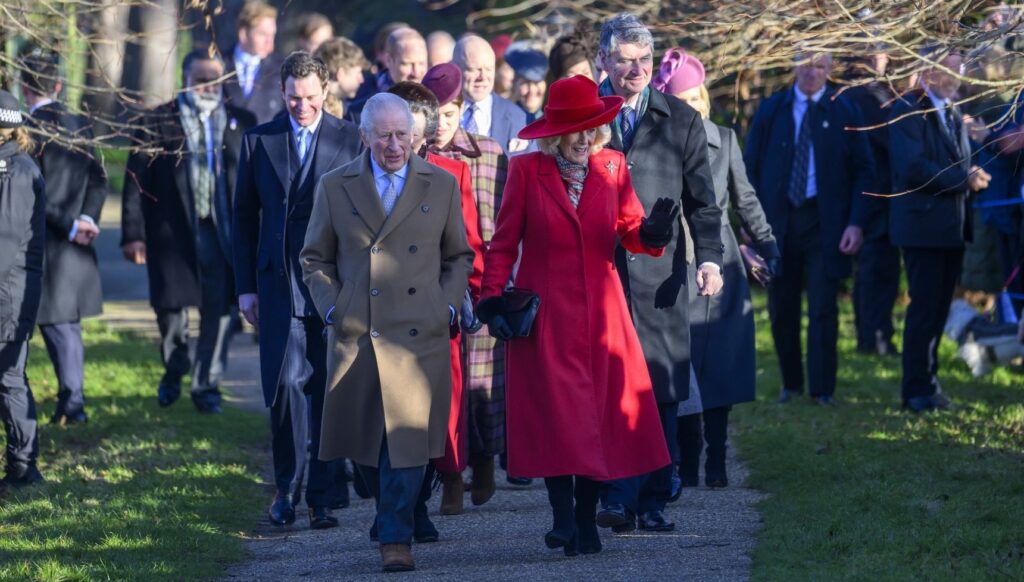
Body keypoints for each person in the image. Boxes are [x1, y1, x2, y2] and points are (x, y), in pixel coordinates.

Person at [476, 75, 675, 557]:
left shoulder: (613, 166)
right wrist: (491, 298)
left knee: (596, 419)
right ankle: (563, 518)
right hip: (547, 313)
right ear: (556, 134)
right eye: (576, 130)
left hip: (603, 314)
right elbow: (504, 243)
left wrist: (652, 233)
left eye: (593, 127)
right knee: (557, 419)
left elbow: (630, 231)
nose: (586, 138)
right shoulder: (527, 172)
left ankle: (585, 522)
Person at [300, 93, 474, 573]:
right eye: (384, 135)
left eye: (402, 135)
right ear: (365, 136)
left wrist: (446, 304)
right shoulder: (336, 185)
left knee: (409, 438)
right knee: (367, 444)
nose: (394, 145)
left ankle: (396, 536)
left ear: (416, 136)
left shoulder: (439, 183)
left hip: (420, 332)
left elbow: (458, 255)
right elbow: (314, 258)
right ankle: (388, 513)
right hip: (360, 331)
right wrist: (335, 307)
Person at [595, 12, 724, 533]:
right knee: (610, 385)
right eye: (623, 61)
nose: (635, 70)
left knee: (662, 387)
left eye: (644, 60)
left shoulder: (682, 120)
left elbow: (704, 202)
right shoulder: (584, 114)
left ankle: (652, 497)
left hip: (659, 276)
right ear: (602, 60)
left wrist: (710, 257)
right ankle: (615, 496)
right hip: (599, 270)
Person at [233, 51, 363, 529]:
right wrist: (245, 286)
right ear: (283, 93)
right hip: (278, 283)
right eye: (293, 97)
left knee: (328, 387)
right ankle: (286, 486)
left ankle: (324, 496)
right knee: (286, 386)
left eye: (309, 97)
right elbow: (243, 218)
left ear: (325, 91)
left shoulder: (351, 138)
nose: (301, 106)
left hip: (335, 282)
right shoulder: (259, 140)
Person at [652, 49, 779, 488]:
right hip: (675, 259)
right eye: (684, 98)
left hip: (720, 259)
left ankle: (718, 460)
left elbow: (745, 200)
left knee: (720, 364)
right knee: (684, 363)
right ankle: (687, 460)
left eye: (699, 96)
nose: (694, 105)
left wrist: (766, 243)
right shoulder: (659, 141)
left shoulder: (724, 140)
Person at [122, 49, 257, 414]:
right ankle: (174, 366)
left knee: (219, 311)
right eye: (200, 79)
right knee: (170, 309)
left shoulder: (240, 121)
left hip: (222, 231)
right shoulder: (158, 121)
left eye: (214, 79)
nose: (207, 87)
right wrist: (133, 234)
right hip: (171, 230)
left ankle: (207, 386)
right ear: (184, 79)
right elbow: (135, 182)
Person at [744, 51, 874, 406]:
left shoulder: (845, 111)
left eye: (820, 65)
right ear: (793, 64)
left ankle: (822, 389)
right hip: (778, 223)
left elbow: (865, 170)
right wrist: (750, 221)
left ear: (830, 69)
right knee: (781, 306)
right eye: (805, 63)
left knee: (822, 307)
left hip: (826, 223)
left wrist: (856, 223)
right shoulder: (773, 110)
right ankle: (790, 383)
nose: (812, 72)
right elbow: (749, 166)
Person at [387, 81, 486, 521]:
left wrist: (461, 298)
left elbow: (468, 245)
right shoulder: (364, 174)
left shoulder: (451, 173)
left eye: (409, 127)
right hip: (384, 310)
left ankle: (450, 475)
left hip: (436, 307)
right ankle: (408, 509)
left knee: (442, 407)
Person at [421, 63, 509, 509]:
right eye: (434, 117)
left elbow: (506, 221)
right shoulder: (417, 159)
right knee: (448, 387)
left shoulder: (489, 153)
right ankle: (451, 474)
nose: (442, 127)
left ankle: (487, 462)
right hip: (440, 283)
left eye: (451, 115)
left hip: (486, 277)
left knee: (485, 386)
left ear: (462, 112)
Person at [889, 48, 990, 412]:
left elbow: (956, 159)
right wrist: (964, 179)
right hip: (922, 229)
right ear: (928, 73)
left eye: (958, 71)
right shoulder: (909, 110)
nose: (955, 79)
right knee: (924, 311)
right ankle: (915, 390)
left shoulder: (952, 112)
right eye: (947, 72)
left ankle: (929, 385)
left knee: (936, 312)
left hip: (950, 229)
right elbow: (914, 167)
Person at [20, 51, 108, 425]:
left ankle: (73, 404)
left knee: (58, 324)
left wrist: (72, 224)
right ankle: (72, 400)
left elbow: (33, 191)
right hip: (76, 238)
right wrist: (87, 217)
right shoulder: (79, 123)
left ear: (24, 86)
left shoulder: (27, 129)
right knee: (66, 323)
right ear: (57, 84)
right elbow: (99, 178)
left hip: (47, 239)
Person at [0, 90, 46, 488]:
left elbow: (6, 237)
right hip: (8, 290)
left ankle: (22, 468)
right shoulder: (11, 166)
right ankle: (22, 464)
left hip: (9, 293)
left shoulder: (17, 172)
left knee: (9, 376)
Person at [843, 49, 902, 357]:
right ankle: (872, 336)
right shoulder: (855, 92)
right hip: (873, 194)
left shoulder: (883, 88)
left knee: (885, 268)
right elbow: (883, 138)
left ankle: (880, 332)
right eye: (876, 51)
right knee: (873, 268)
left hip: (887, 194)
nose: (883, 57)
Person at [453, 35, 532, 155]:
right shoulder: (439, 113)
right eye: (474, 69)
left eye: (489, 69)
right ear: (456, 68)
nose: (482, 77)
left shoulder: (517, 117)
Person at [224, 1, 285, 124]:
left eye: (272, 35)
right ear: (244, 33)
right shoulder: (219, 65)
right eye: (263, 34)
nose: (270, 43)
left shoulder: (281, 68)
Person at [315, 37, 369, 122]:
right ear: (341, 73)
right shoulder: (346, 114)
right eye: (358, 73)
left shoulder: (310, 106)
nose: (361, 79)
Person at [505, 45, 548, 123]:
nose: (531, 90)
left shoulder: (553, 120)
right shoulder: (504, 120)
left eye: (537, 82)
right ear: (514, 84)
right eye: (524, 83)